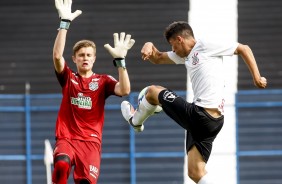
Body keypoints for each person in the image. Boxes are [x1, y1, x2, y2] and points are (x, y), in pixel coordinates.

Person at [121, 21, 267, 184]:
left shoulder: (205, 46)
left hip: (202, 115)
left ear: (179, 39)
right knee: (195, 173)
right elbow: (158, 58)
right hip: (212, 121)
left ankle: (136, 121)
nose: (173, 50)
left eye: (172, 45)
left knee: (153, 91)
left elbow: (243, 48)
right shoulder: (186, 56)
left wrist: (257, 77)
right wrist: (148, 45)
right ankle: (137, 121)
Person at [52, 0, 135, 183]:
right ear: (74, 58)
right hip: (67, 138)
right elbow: (57, 56)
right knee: (61, 166)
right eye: (81, 55)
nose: (85, 58)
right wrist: (64, 24)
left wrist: (120, 61)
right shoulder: (68, 78)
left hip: (91, 143)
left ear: (94, 58)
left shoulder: (103, 81)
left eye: (89, 55)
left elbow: (125, 89)